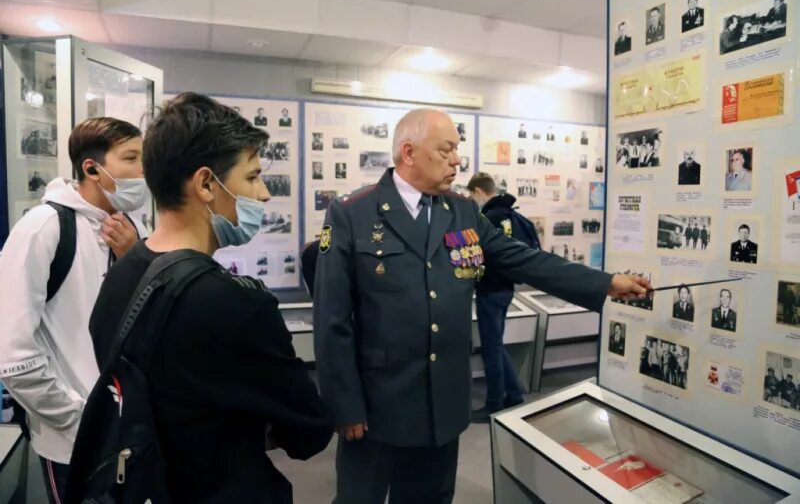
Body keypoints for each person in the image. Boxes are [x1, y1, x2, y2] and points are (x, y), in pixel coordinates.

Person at [313, 108, 651, 503]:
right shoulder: (353, 212)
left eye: (457, 149)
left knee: (431, 498)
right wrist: (345, 404)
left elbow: (524, 259)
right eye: (446, 149)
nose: (457, 159)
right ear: (408, 152)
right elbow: (332, 318)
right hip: (377, 404)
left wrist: (605, 282)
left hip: (443, 401)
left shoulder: (462, 210)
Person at [87, 93, 333, 502]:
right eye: (253, 177)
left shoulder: (120, 274)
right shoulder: (237, 305)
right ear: (205, 184)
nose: (265, 195)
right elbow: (309, 431)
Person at [0, 117, 147, 503]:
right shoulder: (42, 228)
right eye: (131, 158)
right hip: (74, 442)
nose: (143, 171)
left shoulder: (129, 226)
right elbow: (13, 352)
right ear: (92, 168)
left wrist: (134, 258)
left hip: (131, 434)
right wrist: (77, 419)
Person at [466, 173, 536, 422]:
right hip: (505, 289)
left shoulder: (489, 218)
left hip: (490, 290)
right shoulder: (509, 215)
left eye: (471, 195)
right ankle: (514, 393)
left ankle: (494, 403)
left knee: (490, 349)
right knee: (495, 344)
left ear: (478, 192)